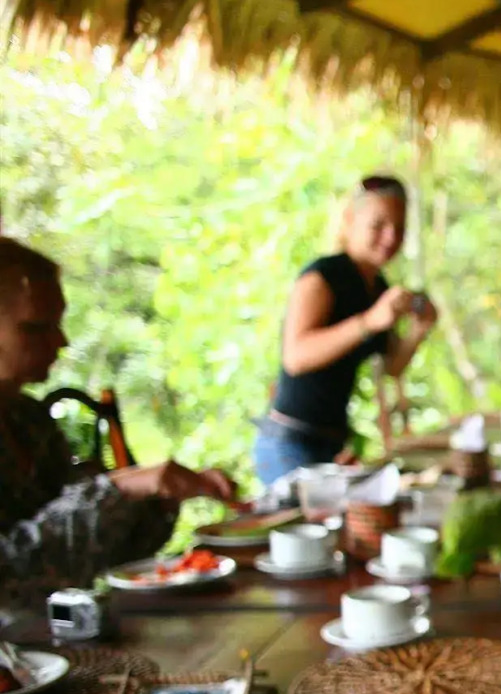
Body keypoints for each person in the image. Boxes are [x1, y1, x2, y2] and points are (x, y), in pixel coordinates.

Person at [0, 238, 237, 611]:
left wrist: (156, 496)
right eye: (36, 327)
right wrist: (118, 490)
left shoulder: (27, 420)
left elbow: (87, 554)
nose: (60, 341)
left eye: (58, 324)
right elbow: (13, 575)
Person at [252, 175, 438, 486]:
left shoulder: (378, 287)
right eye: (378, 225)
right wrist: (370, 321)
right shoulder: (322, 276)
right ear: (350, 220)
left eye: (399, 228)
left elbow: (392, 366)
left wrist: (420, 328)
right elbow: (295, 357)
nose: (391, 237)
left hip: (332, 445)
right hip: (290, 444)